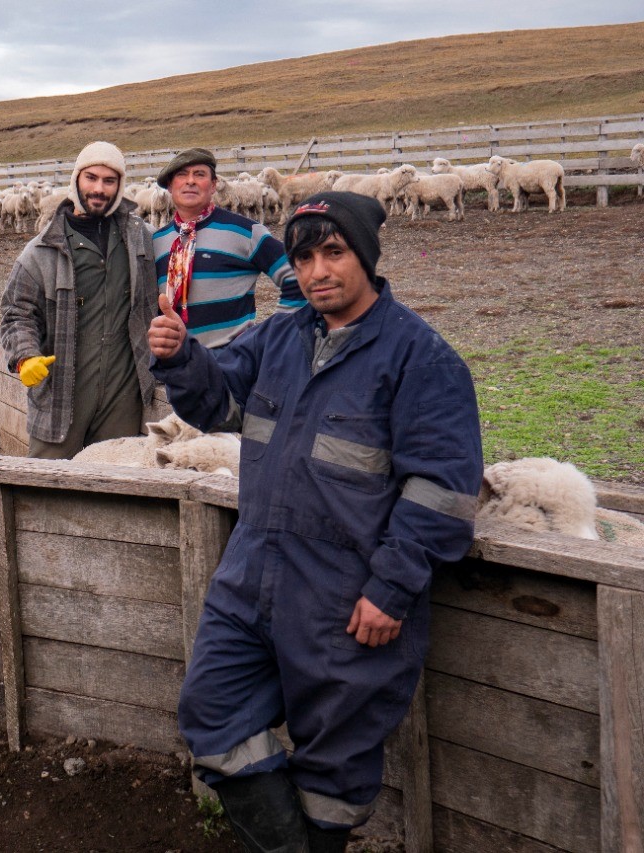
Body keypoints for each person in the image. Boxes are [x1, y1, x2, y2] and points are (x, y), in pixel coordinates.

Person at [148, 191, 483, 852]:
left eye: (333, 252)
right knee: (211, 711)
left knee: (334, 775)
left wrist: (391, 586)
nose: (316, 271)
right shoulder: (279, 336)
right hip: (251, 576)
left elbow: (443, 486)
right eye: (303, 257)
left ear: (365, 255)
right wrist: (183, 355)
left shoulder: (423, 359)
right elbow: (217, 400)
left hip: (346, 599)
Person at [0, 141, 158, 459]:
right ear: (76, 180)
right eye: (91, 178)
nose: (99, 188)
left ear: (120, 186)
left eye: (109, 180)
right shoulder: (42, 249)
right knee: (48, 489)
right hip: (61, 396)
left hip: (121, 396)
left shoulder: (143, 239)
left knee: (116, 485)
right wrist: (25, 355)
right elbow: (16, 312)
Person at [155, 148, 306, 348]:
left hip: (233, 365)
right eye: (181, 175)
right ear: (170, 187)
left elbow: (299, 278)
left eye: (199, 175)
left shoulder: (246, 232)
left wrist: (273, 335)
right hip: (177, 367)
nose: (190, 181)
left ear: (213, 185)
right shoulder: (157, 240)